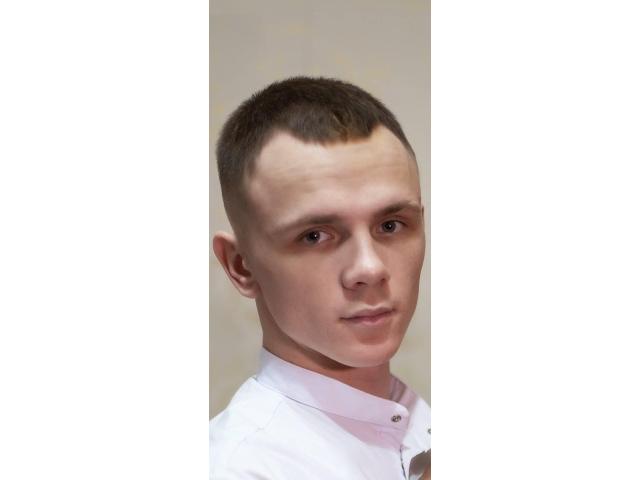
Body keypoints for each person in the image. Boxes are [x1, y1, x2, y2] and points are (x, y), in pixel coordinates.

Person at [210, 76, 430, 479]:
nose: (370, 268)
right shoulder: (239, 468)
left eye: (391, 225)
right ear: (241, 265)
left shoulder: (420, 425)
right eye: (314, 235)